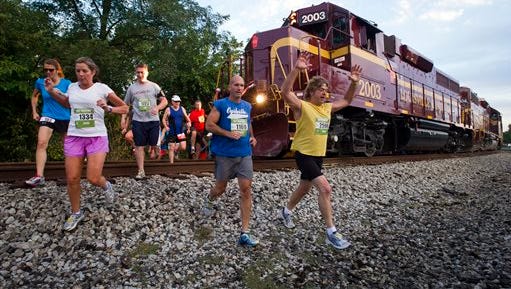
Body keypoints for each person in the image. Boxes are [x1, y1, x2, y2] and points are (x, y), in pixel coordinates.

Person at [279, 56, 362, 250]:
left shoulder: (327, 108)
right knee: (325, 189)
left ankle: (286, 211)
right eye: (321, 90)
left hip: (318, 155)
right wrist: (296, 70)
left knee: (305, 188)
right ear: (311, 91)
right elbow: (285, 92)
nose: (325, 93)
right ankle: (331, 232)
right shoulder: (302, 107)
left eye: (327, 90)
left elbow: (348, 100)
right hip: (303, 154)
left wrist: (354, 83)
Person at [45, 57, 128, 231]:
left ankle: (106, 185)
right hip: (75, 136)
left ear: (93, 72)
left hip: (96, 136)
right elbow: (68, 103)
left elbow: (125, 108)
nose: (81, 74)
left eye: (84, 71)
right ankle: (76, 213)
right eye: (77, 71)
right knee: (72, 178)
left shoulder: (102, 88)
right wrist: (52, 92)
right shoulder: (72, 87)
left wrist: (108, 108)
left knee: (93, 178)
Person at [202, 75, 259, 247]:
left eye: (242, 85)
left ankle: (245, 233)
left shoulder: (247, 106)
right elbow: (209, 125)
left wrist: (252, 137)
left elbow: (248, 124)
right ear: (230, 87)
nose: (239, 88)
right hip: (225, 154)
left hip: (244, 153)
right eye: (236, 85)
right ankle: (210, 199)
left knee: (246, 189)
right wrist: (227, 134)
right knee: (220, 188)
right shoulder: (221, 105)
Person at [25, 59, 72, 187]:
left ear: (57, 70)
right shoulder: (40, 82)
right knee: (41, 143)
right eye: (45, 69)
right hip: (47, 116)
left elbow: (71, 100)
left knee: (68, 148)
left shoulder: (67, 83)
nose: (48, 72)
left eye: (51, 70)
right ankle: (39, 177)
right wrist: (34, 111)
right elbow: (35, 96)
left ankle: (71, 177)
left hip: (65, 117)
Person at [122, 63, 168, 179]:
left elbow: (164, 101)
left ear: (147, 73)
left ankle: (156, 148)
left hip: (153, 121)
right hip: (138, 121)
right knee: (139, 146)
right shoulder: (132, 88)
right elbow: (125, 105)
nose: (140, 74)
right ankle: (141, 171)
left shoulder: (154, 86)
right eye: (138, 72)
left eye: (142, 72)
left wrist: (157, 108)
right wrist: (123, 119)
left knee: (155, 147)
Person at [162, 95, 191, 163]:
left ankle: (176, 151)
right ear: (172, 101)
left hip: (180, 131)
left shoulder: (182, 108)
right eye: (175, 101)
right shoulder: (168, 109)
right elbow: (163, 119)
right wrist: (166, 126)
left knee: (183, 147)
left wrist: (189, 126)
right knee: (171, 148)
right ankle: (171, 164)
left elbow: (187, 119)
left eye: (178, 101)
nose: (177, 103)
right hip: (172, 132)